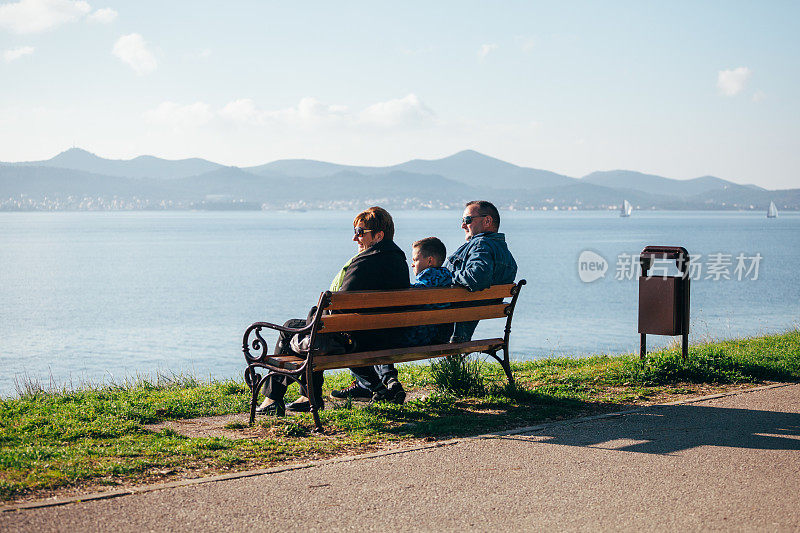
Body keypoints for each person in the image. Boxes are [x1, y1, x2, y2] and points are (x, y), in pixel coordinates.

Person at [256, 206, 410, 415]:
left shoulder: (363, 263)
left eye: (360, 233)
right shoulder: (400, 262)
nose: (355, 239)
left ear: (378, 236)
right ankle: (307, 395)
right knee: (312, 327)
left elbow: (339, 309)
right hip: (385, 338)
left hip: (355, 341)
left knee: (292, 327)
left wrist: (315, 315)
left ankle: (273, 399)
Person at [444, 200, 517, 343]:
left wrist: (447, 275)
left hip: (445, 319)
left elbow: (477, 277)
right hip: (462, 323)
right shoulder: (505, 254)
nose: (463, 225)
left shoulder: (481, 244)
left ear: (487, 221)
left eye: (467, 220)